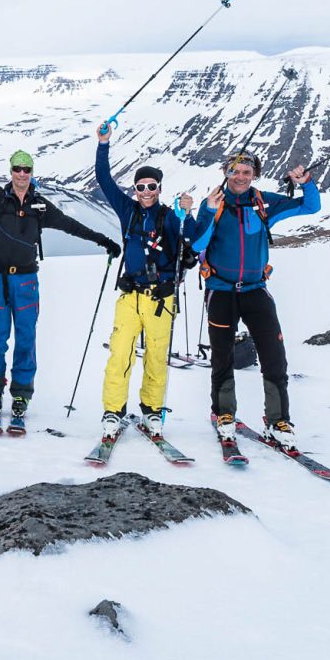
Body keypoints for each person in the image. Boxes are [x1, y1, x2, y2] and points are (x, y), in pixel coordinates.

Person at [0, 111, 121, 433]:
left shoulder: (41, 206)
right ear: (10, 171)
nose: (22, 174)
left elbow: (71, 226)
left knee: (26, 339)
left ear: (32, 172)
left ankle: (21, 395)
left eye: (27, 169)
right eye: (17, 168)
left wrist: (103, 240)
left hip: (27, 280)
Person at [189, 151, 320, 448]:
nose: (240, 176)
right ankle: (223, 414)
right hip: (220, 290)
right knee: (223, 356)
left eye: (247, 172)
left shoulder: (264, 202)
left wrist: (306, 182)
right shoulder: (214, 203)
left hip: (255, 290)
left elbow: (311, 206)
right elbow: (197, 243)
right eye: (235, 171)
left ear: (254, 175)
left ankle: (278, 420)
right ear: (225, 172)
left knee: (274, 356)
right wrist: (209, 211)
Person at [93, 124, 210, 439]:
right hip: (130, 296)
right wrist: (103, 144)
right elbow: (103, 179)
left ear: (159, 189)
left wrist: (191, 212)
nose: (145, 192)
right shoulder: (127, 211)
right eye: (140, 187)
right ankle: (113, 412)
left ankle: (152, 412)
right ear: (134, 190)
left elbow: (194, 241)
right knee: (120, 353)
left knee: (157, 357)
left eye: (151, 187)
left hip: (161, 299)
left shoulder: (170, 217)